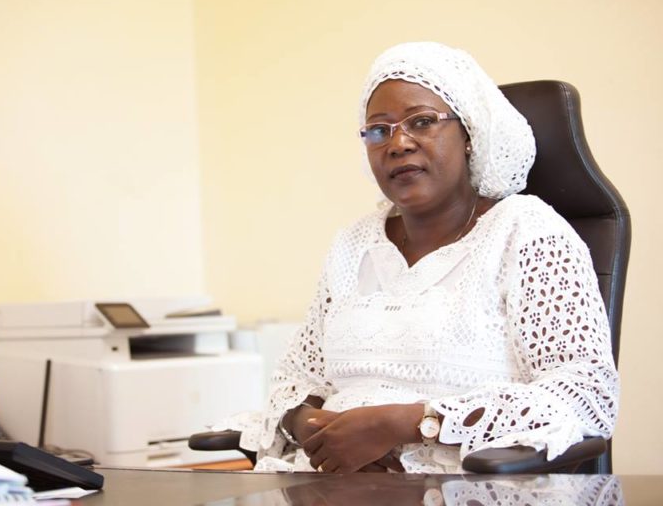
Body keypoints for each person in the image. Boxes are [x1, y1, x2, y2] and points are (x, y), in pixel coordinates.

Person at [237, 42, 619, 473]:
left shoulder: (526, 231)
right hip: (333, 483)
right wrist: (315, 430)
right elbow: (296, 381)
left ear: (469, 134)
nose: (398, 143)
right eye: (378, 130)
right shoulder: (353, 244)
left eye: (422, 121)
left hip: (464, 489)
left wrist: (404, 424)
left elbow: (585, 394)